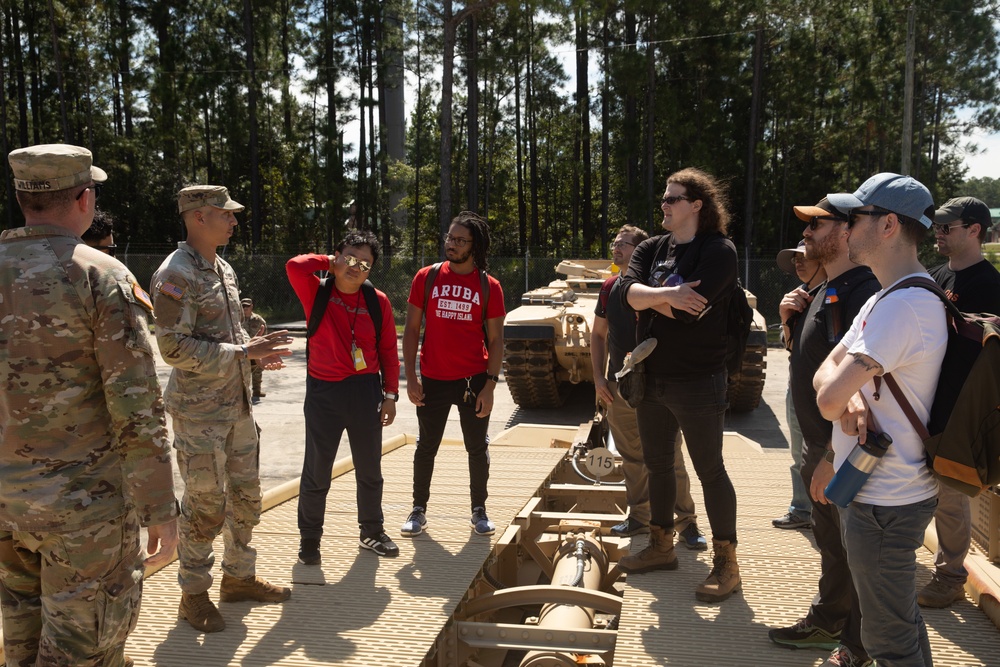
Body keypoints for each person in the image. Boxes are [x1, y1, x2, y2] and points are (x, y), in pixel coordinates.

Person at [0, 144, 177, 666]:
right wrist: (161, 509)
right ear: (83, 198)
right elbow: (137, 409)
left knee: (20, 649)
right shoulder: (99, 274)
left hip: (7, 509)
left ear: (20, 196)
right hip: (85, 515)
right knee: (85, 655)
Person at [151, 185, 294, 634]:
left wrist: (252, 353)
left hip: (235, 408)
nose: (233, 221)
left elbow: (227, 337)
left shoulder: (223, 267)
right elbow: (172, 347)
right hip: (199, 415)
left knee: (247, 499)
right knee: (205, 507)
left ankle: (238, 578)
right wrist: (240, 354)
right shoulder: (175, 275)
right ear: (197, 217)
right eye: (225, 214)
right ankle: (193, 595)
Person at [815, 173, 944, 667]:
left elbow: (826, 396)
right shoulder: (884, 296)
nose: (846, 228)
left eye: (855, 217)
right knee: (896, 618)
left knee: (887, 638)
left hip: (887, 502)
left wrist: (840, 398)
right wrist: (847, 398)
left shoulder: (904, 307)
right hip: (878, 494)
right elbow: (827, 370)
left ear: (888, 225)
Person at [616, 167, 742, 603]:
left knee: (710, 470)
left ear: (696, 205)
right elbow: (623, 293)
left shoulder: (719, 251)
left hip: (699, 380)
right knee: (657, 465)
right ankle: (661, 546)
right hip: (650, 377)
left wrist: (650, 301)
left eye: (673, 199)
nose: (664, 205)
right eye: (664, 198)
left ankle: (727, 562)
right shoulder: (652, 247)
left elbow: (692, 313)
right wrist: (666, 296)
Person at [768, 198, 880, 667]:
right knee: (833, 545)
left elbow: (859, 388)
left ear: (849, 229)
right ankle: (828, 617)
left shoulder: (861, 291)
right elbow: (813, 360)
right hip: (822, 444)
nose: (808, 232)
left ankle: (857, 647)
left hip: (843, 447)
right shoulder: (830, 289)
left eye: (818, 223)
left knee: (857, 553)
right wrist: (790, 320)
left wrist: (835, 455)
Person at [286, 231, 402, 562]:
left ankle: (372, 532)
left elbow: (388, 352)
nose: (355, 267)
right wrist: (329, 262)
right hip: (324, 393)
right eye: (349, 258)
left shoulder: (378, 302)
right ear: (337, 257)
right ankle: (310, 538)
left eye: (364, 263)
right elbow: (294, 266)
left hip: (365, 392)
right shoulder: (317, 291)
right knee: (317, 470)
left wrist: (391, 395)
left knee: (370, 469)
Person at [591, 225, 707, 549]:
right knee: (632, 458)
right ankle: (640, 517)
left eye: (623, 244)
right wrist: (599, 379)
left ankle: (686, 523)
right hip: (621, 388)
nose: (616, 248)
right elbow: (598, 334)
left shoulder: (659, 288)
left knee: (671, 458)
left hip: (660, 389)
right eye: (614, 243)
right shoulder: (609, 288)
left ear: (640, 251)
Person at [400, 211, 506, 537]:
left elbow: (496, 339)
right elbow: (412, 329)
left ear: (475, 246)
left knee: (476, 447)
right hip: (432, 379)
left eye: (460, 240)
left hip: (473, 380)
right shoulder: (426, 277)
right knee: (426, 446)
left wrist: (490, 385)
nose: (452, 244)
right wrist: (412, 377)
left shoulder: (489, 287)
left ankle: (479, 511)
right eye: (450, 237)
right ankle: (418, 510)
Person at [919, 196, 1000, 608]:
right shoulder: (934, 275)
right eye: (936, 226)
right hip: (921, 401)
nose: (938, 233)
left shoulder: (991, 285)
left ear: (973, 231)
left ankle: (950, 576)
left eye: (947, 228)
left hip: (959, 408)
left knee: (951, 496)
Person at [772, 239, 827, 531]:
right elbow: (791, 347)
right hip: (797, 388)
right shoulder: (799, 296)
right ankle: (801, 509)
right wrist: (785, 319)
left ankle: (826, 516)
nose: (798, 262)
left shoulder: (835, 293)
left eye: (804, 256)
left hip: (829, 392)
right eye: (794, 258)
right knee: (799, 455)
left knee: (824, 454)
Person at [241, 297, 269, 400]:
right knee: (242, 371)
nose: (245, 308)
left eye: (247, 306)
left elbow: (265, 334)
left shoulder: (258, 320)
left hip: (256, 349)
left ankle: (257, 391)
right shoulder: (237, 320)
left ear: (251, 306)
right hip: (242, 349)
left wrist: (265, 348)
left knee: (258, 370)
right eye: (243, 306)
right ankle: (243, 393)